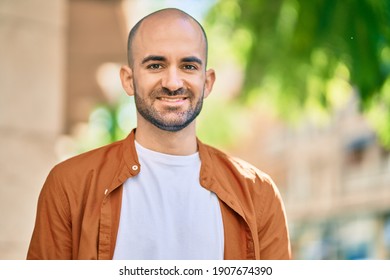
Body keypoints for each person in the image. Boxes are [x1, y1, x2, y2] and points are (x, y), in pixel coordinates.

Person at [27, 8, 291, 260]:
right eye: (155, 65)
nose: (173, 83)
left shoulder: (259, 194)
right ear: (129, 80)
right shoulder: (69, 185)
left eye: (188, 66)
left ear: (207, 82)